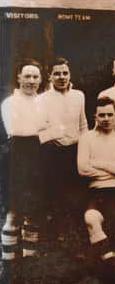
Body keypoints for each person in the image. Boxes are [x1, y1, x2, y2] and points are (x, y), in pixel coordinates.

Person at [78, 97, 115, 265]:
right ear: (95, 117)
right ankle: (108, 257)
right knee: (91, 218)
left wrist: (97, 164)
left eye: (109, 115)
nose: (106, 119)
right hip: (96, 190)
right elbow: (83, 169)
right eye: (102, 115)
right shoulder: (87, 138)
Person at [1, 60, 46, 268]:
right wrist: (43, 129)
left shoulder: (43, 102)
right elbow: (16, 129)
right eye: (27, 76)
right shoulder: (10, 102)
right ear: (18, 78)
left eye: (35, 76)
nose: (31, 81)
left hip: (39, 159)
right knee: (14, 209)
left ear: (41, 79)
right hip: (17, 159)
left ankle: (29, 260)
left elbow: (49, 126)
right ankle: (9, 262)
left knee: (34, 208)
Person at [39, 57, 89, 243]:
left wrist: (86, 146)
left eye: (65, 73)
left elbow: (83, 124)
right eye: (57, 73)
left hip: (76, 149)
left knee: (76, 191)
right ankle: (56, 233)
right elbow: (39, 129)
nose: (61, 77)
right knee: (55, 192)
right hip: (53, 152)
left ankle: (76, 229)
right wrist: (53, 139)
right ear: (50, 76)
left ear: (70, 74)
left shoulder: (79, 95)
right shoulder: (42, 99)